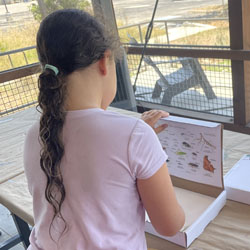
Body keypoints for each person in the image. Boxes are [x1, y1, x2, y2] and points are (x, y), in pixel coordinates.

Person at [23, 9, 185, 250]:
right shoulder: (135, 137)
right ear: (104, 62)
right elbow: (170, 225)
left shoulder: (34, 133)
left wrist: (134, 132)